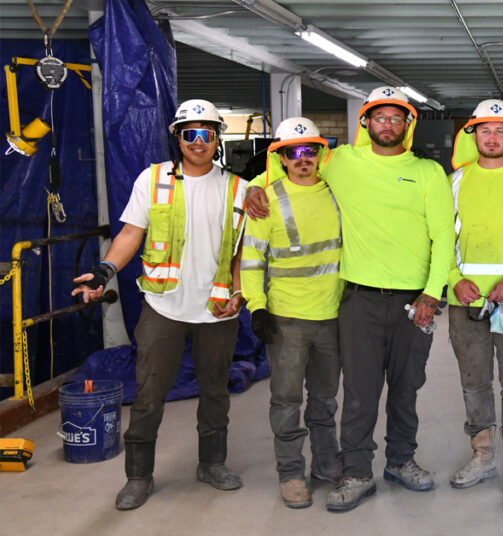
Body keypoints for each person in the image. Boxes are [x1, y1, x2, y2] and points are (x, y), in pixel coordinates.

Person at [245, 86, 455, 513]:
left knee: (406, 388)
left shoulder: (428, 172)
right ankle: (357, 472)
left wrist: (432, 294)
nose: (388, 124)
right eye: (380, 117)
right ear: (366, 122)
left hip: (414, 300)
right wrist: (252, 189)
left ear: (407, 124)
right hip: (359, 301)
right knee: (359, 392)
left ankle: (401, 460)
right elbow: (290, 170)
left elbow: (443, 236)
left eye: (396, 118)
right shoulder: (340, 162)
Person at [73, 99, 248, 510]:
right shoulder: (152, 180)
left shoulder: (239, 188)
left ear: (218, 139)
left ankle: (212, 463)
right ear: (178, 138)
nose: (199, 141)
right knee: (150, 393)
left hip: (217, 309)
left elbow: (241, 250)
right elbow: (131, 233)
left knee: (215, 390)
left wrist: (240, 293)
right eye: (191, 133)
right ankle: (138, 476)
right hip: (163, 307)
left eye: (207, 133)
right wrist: (103, 271)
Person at [240, 117, 343, 508]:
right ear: (281, 158)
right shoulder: (266, 199)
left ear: (321, 154)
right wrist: (257, 306)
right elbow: (252, 261)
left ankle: (326, 463)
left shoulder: (338, 193)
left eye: (310, 150)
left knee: (325, 399)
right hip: (287, 319)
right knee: (286, 401)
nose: (303, 158)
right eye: (293, 152)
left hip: (333, 315)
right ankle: (291, 474)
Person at [447, 99, 503, 489]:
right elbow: (440, 237)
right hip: (464, 301)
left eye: (501, 130)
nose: (493, 137)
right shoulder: (455, 182)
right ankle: (482, 454)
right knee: (474, 381)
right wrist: (454, 279)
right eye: (485, 130)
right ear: (473, 135)